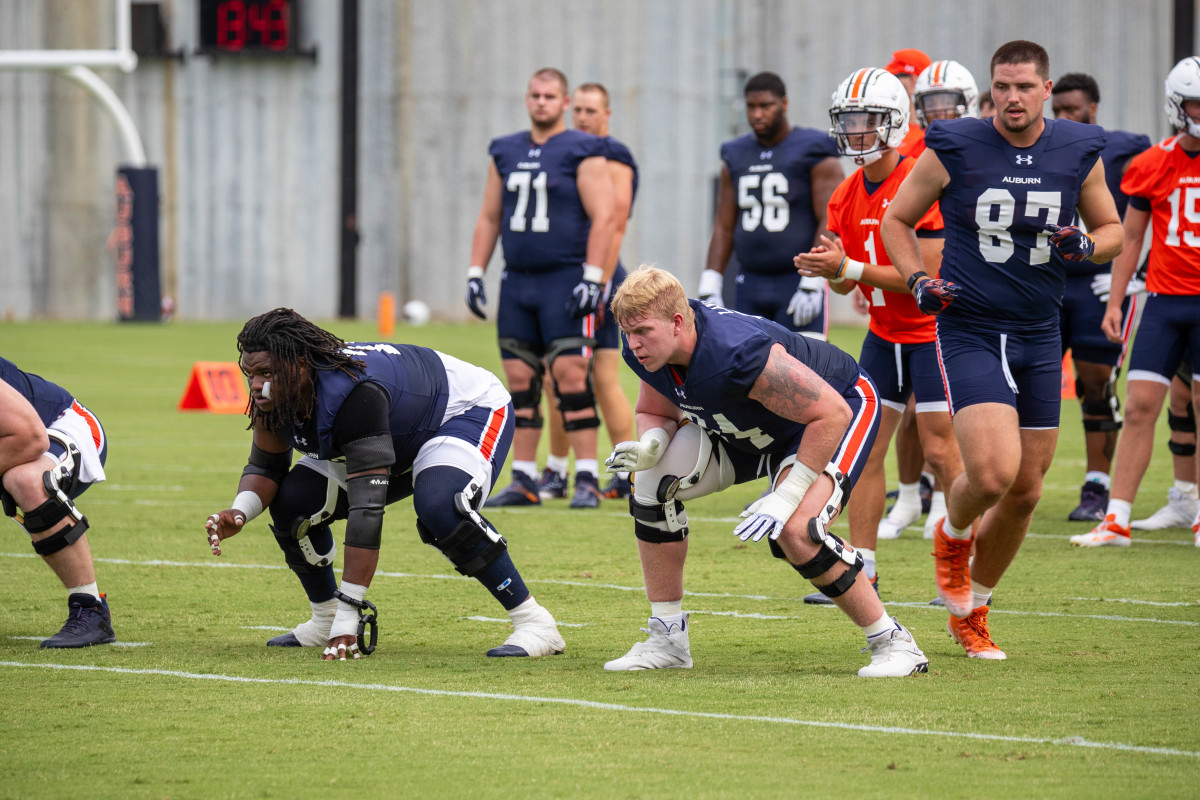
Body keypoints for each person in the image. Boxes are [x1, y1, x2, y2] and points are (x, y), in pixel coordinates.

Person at [881, 40, 1123, 657]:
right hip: (971, 327)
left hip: (1041, 331)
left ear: (1046, 90)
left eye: (1024, 86)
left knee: (1027, 491)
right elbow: (897, 220)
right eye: (1002, 87)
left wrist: (1087, 248)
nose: (1012, 98)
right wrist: (915, 279)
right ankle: (952, 530)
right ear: (991, 91)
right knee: (990, 474)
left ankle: (973, 608)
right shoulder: (956, 143)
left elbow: (1114, 232)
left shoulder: (1076, 148)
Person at [602, 267, 928, 678]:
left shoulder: (735, 350)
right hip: (747, 425)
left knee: (796, 529)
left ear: (678, 322)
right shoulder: (646, 346)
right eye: (626, 332)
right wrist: (651, 446)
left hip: (829, 413)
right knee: (650, 484)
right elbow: (654, 409)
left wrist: (788, 494)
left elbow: (831, 414)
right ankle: (668, 638)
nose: (632, 344)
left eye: (643, 331)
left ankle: (893, 642)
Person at [205, 308, 565, 660]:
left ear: (300, 365)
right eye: (249, 373)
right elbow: (267, 467)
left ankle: (534, 621)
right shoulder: (273, 393)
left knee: (441, 505)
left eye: (266, 372)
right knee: (293, 501)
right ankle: (325, 616)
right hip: (395, 428)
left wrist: (353, 613)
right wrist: (240, 511)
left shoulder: (355, 394)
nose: (255, 385)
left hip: (462, 412)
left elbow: (367, 509)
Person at [794, 67, 961, 605]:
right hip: (884, 333)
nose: (856, 131)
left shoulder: (921, 179)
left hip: (934, 331)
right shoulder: (845, 194)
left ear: (893, 123)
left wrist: (853, 268)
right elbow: (848, 288)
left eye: (867, 120)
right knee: (864, 450)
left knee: (941, 450)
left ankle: (960, 569)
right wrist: (831, 270)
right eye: (849, 121)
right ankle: (862, 568)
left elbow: (928, 275)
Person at [465, 67, 616, 509]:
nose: (541, 102)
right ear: (526, 97)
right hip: (518, 281)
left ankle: (587, 476)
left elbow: (604, 216)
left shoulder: (582, 149)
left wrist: (593, 276)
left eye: (550, 96)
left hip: (565, 279)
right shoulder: (505, 149)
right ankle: (525, 479)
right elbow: (490, 216)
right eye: (535, 95)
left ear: (564, 102)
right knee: (519, 380)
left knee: (571, 378)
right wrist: (476, 270)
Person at [1071, 57, 1200, 548]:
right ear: (1175, 105)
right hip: (1165, 302)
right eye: (1195, 103)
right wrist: (1115, 303)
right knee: (1143, 404)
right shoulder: (1153, 163)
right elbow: (1129, 239)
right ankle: (1118, 518)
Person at [882, 59, 982, 541]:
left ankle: (949, 505)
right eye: (931, 106)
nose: (940, 115)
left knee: (947, 423)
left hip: (975, 298)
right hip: (922, 300)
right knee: (906, 418)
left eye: (949, 105)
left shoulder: (987, 149)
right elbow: (896, 222)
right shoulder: (917, 155)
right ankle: (909, 499)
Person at [1050, 72, 1152, 521]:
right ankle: (1016, 477)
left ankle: (1097, 484)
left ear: (1094, 108)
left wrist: (1136, 274)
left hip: (1097, 282)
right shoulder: (1042, 145)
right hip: (1046, 282)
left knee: (1096, 381)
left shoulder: (1127, 148)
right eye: (1058, 111)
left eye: (1072, 110)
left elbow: (1160, 207)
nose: (1064, 118)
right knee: (1024, 379)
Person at [539, 82, 638, 503]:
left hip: (597, 280)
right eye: (577, 109)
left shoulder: (612, 156)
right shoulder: (566, 151)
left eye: (591, 110)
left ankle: (628, 473)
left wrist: (599, 283)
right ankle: (558, 471)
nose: (582, 117)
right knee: (556, 377)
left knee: (599, 377)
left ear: (607, 114)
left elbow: (613, 224)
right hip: (567, 278)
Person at [698, 71, 843, 341]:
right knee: (749, 374)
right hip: (750, 282)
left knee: (807, 373)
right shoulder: (736, 153)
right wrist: (711, 281)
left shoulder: (813, 148)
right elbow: (724, 225)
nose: (757, 115)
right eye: (751, 106)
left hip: (796, 279)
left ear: (784, 104)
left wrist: (813, 280)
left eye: (765, 106)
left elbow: (831, 216)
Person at [1, 357, 113, 648]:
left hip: (63, 423)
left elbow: (31, 437)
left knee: (27, 480)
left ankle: (90, 609)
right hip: (21, 437)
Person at [886, 48, 933, 151]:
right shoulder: (887, 129)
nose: (888, 82)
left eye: (895, 76)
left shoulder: (933, 134)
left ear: (914, 80)